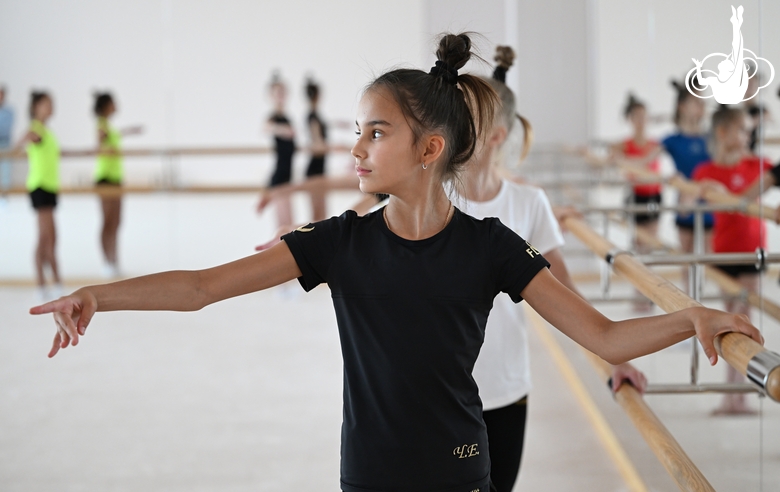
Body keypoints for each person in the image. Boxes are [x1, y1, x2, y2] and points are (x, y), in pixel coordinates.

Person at [31, 34, 762, 492]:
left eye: (374, 132)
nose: (356, 149)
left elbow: (601, 336)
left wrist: (690, 317)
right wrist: (97, 294)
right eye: (356, 132)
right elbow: (201, 288)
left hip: (461, 470)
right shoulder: (337, 242)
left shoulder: (491, 247)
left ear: (428, 148)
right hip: (368, 478)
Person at [453, 45, 646, 492]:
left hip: (506, 384)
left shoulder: (528, 203)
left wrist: (614, 357)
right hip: (442, 386)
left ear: (496, 136)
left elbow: (566, 293)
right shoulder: (433, 200)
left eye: (466, 118)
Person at [693, 106, 772, 415]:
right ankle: (733, 393)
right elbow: (688, 201)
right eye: (741, 130)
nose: (747, 135)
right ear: (723, 133)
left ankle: (739, 393)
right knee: (729, 321)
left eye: (749, 130)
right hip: (723, 252)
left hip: (752, 252)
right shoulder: (706, 172)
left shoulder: (759, 165)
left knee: (743, 317)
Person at [610, 94, 662, 310]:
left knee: (650, 246)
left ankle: (649, 292)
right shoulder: (624, 145)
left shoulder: (654, 144)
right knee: (638, 245)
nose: (641, 120)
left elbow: (642, 164)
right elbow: (611, 158)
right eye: (637, 116)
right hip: (636, 196)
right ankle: (639, 292)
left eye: (644, 116)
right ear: (631, 119)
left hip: (654, 195)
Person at [14, 92, 61, 300]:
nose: (51, 107)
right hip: (39, 187)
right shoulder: (35, 129)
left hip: (50, 187)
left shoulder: (46, 132)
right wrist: (20, 144)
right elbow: (19, 145)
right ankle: (47, 283)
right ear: (36, 107)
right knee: (46, 237)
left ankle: (51, 282)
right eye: (47, 104)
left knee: (51, 236)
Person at [92, 92, 143, 278]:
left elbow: (113, 135)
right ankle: (107, 262)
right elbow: (99, 143)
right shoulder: (101, 126)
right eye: (113, 103)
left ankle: (114, 261)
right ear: (106, 106)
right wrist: (106, 148)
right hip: (105, 178)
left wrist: (129, 131)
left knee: (116, 221)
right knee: (107, 221)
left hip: (115, 178)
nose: (116, 106)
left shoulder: (108, 127)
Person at [265, 72, 296, 227]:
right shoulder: (274, 117)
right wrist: (284, 130)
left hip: (288, 176)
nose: (281, 96)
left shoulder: (287, 118)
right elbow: (266, 127)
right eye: (277, 93)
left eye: (283, 92)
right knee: (284, 225)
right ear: (271, 95)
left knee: (288, 223)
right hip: (279, 177)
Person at [304, 77, 328, 221]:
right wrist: (338, 147)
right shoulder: (312, 117)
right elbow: (318, 145)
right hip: (314, 169)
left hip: (319, 168)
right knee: (317, 215)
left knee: (321, 213)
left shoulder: (316, 116)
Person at [0, 85, 14, 194]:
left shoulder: (9, 111)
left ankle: (4, 194)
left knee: (5, 170)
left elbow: (5, 129)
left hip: (5, 143)